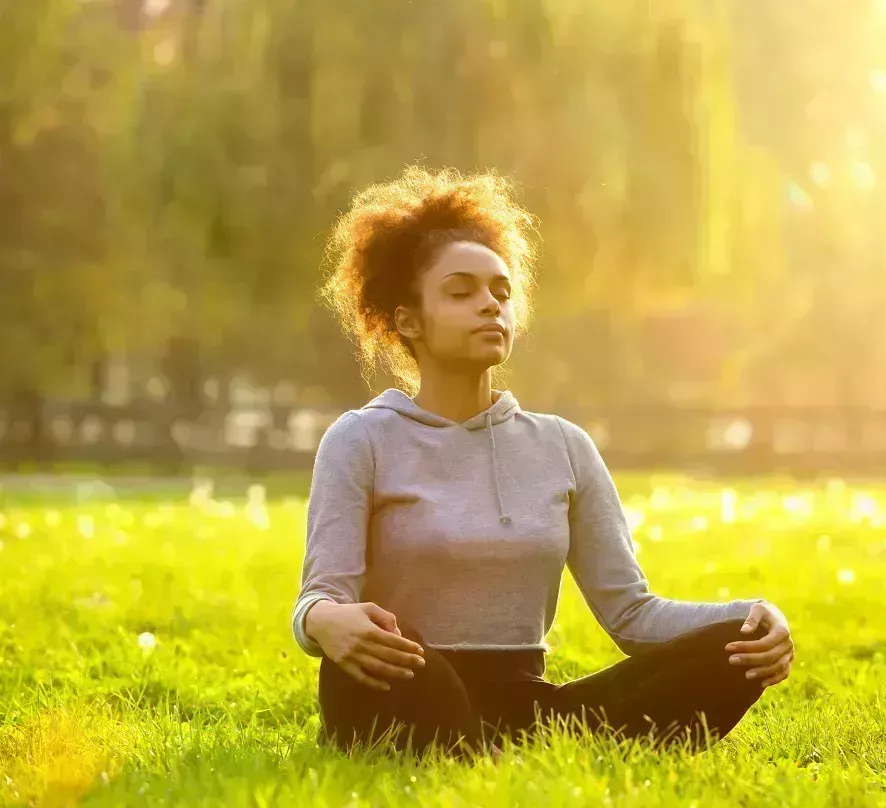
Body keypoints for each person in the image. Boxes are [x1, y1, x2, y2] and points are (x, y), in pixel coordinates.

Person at [291, 165, 795, 761]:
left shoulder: (562, 446)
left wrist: (754, 619)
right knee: (384, 667)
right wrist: (325, 622)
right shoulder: (360, 439)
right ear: (407, 321)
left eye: (500, 293)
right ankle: (477, 749)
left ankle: (489, 751)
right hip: (407, 684)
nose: (490, 306)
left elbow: (632, 614)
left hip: (530, 708)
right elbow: (320, 597)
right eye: (461, 292)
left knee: (732, 652)